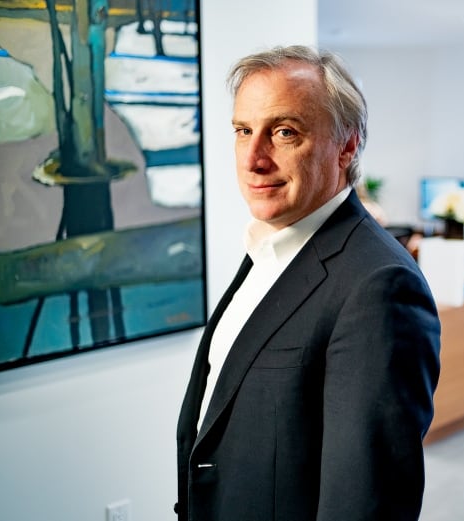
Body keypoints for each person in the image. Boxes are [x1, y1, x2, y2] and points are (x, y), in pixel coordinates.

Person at [175, 45, 441, 520]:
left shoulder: (379, 287)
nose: (254, 158)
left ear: (347, 145)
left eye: (283, 132)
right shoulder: (268, 246)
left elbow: (366, 505)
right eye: (243, 131)